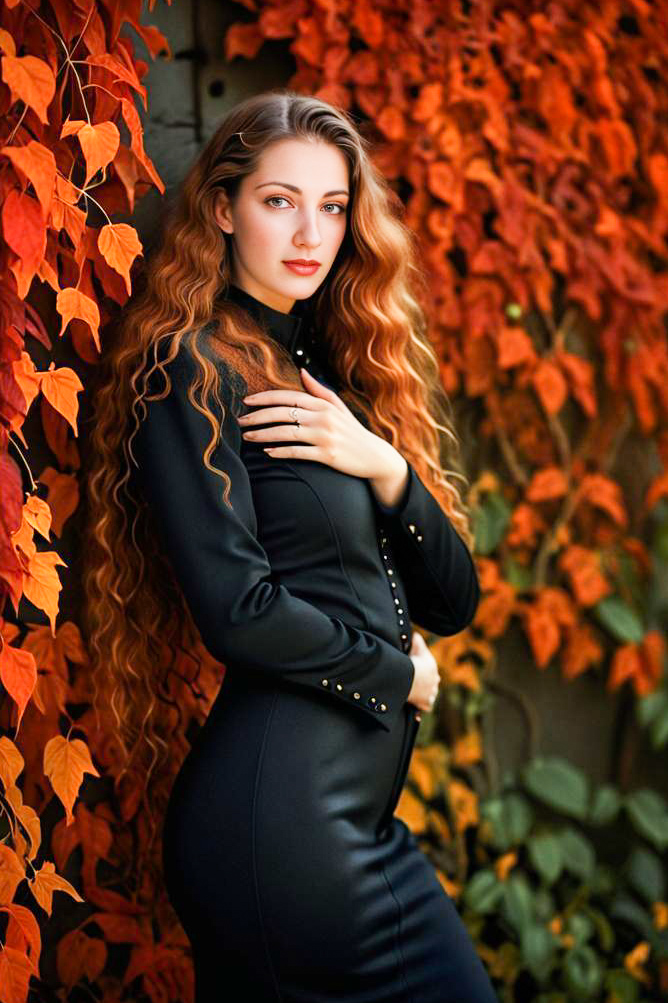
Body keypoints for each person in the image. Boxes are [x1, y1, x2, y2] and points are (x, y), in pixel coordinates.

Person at [83, 89, 496, 1001]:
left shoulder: (332, 371)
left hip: (345, 825)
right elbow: (239, 613)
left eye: (333, 206)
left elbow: (454, 602)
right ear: (224, 209)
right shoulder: (189, 368)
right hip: (281, 831)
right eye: (280, 200)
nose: (311, 231)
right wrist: (399, 676)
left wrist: (384, 465)